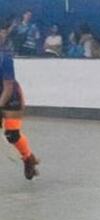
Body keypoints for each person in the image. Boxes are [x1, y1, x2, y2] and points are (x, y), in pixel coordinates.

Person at [0, 24, 39, 179]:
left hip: (11, 95)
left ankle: (28, 158)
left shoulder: (5, 57)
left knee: (12, 134)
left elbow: (8, 87)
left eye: (2, 33)